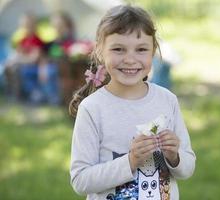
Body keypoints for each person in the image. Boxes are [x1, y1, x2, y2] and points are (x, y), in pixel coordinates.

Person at [69, 5, 195, 200]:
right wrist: (130, 161)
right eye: (118, 49)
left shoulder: (167, 100)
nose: (130, 59)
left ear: (153, 51)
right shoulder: (93, 109)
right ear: (101, 51)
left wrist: (175, 156)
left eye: (141, 49)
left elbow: (187, 168)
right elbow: (81, 180)